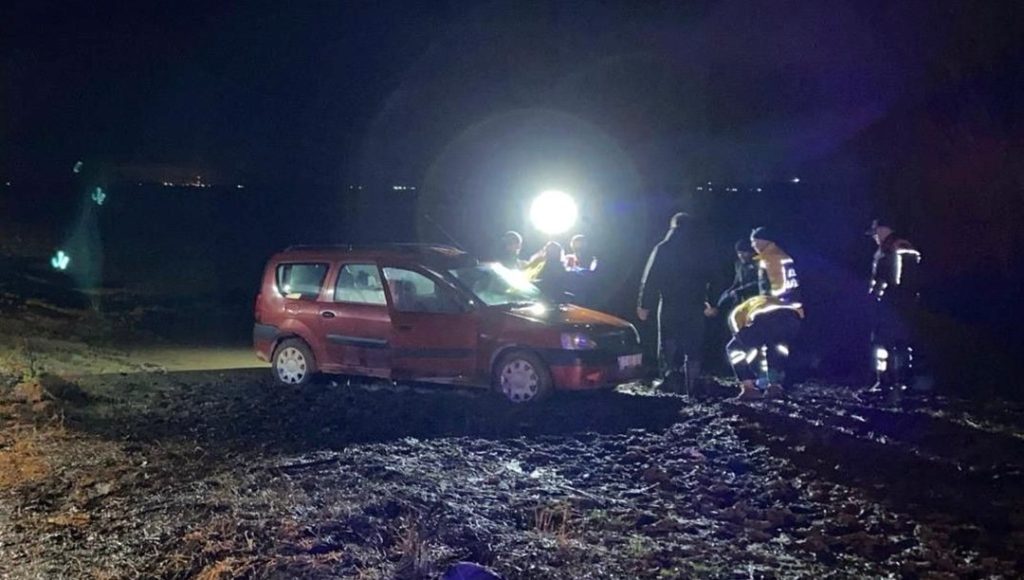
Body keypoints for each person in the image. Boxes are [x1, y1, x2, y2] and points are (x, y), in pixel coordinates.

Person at [637, 212, 714, 395]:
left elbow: (651, 277)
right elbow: (714, 276)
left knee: (667, 341)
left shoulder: (664, 248)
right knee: (694, 345)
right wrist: (712, 302)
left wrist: (644, 304)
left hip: (670, 302)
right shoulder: (701, 249)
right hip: (695, 304)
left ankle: (668, 380)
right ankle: (692, 385)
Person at [725, 226, 804, 400]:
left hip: (770, 314)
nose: (752, 244)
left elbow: (770, 291)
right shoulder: (786, 257)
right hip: (793, 316)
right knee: (776, 347)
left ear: (764, 241)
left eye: (754, 240)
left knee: (734, 348)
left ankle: (748, 387)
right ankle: (774, 386)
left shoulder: (767, 259)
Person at [865, 217, 923, 397]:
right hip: (901, 305)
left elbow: (890, 280)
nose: (874, 238)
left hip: (892, 306)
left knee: (886, 343)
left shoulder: (893, 248)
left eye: (875, 233)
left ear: (883, 230)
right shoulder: (895, 247)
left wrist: (876, 297)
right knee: (899, 344)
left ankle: (889, 382)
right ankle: (899, 382)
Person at [704, 239, 759, 318]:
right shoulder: (739, 265)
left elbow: (759, 282)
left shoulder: (759, 263)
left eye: (744, 252)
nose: (741, 255)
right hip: (741, 295)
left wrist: (741, 290)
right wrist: (728, 293)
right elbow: (737, 282)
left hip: (755, 296)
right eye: (739, 253)